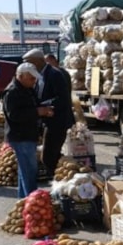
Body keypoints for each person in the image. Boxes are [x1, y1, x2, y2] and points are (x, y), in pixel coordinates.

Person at [2, 63, 54, 198]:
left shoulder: (27, 89)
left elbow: (34, 106)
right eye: (31, 78)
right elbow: (14, 115)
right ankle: (32, 200)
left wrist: (44, 109)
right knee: (29, 170)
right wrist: (37, 112)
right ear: (20, 76)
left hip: (27, 134)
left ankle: (24, 200)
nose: (34, 81)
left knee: (24, 170)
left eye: (34, 78)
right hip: (20, 136)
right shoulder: (12, 91)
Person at [23, 48, 74, 176]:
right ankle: (60, 177)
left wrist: (43, 105)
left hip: (57, 120)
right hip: (47, 120)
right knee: (53, 153)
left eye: (30, 62)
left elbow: (63, 98)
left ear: (40, 61)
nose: (28, 65)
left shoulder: (54, 74)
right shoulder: (38, 75)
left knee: (48, 156)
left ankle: (55, 179)